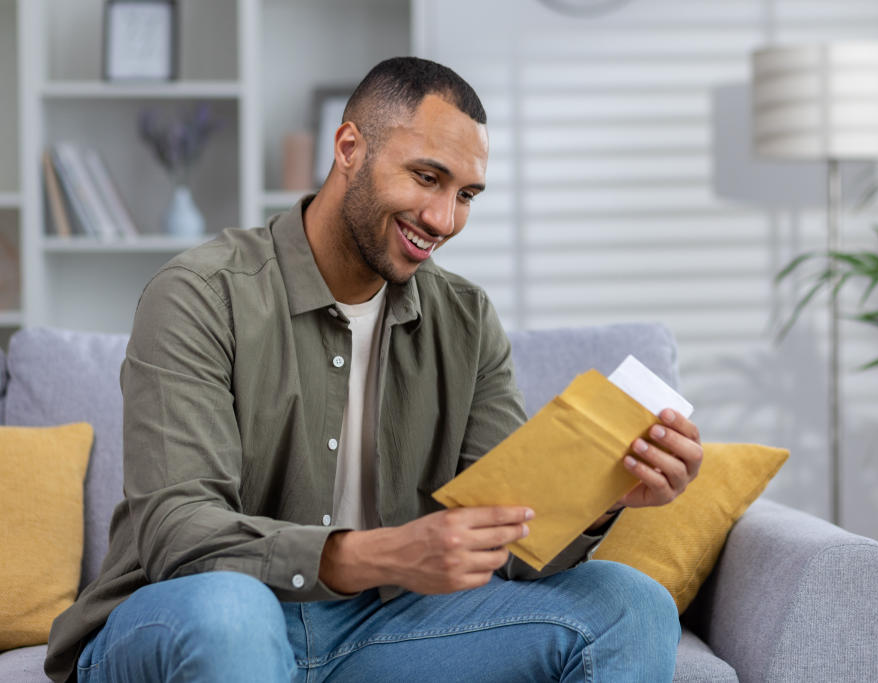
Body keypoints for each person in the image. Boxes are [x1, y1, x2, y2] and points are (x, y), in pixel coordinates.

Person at [45, 57, 703, 682]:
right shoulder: (200, 293)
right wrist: (380, 553)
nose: (444, 219)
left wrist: (594, 500)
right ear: (349, 148)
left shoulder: (466, 320)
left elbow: (507, 538)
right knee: (233, 614)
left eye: (466, 194)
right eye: (426, 177)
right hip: (193, 620)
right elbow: (177, 530)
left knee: (630, 603)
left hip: (378, 632)